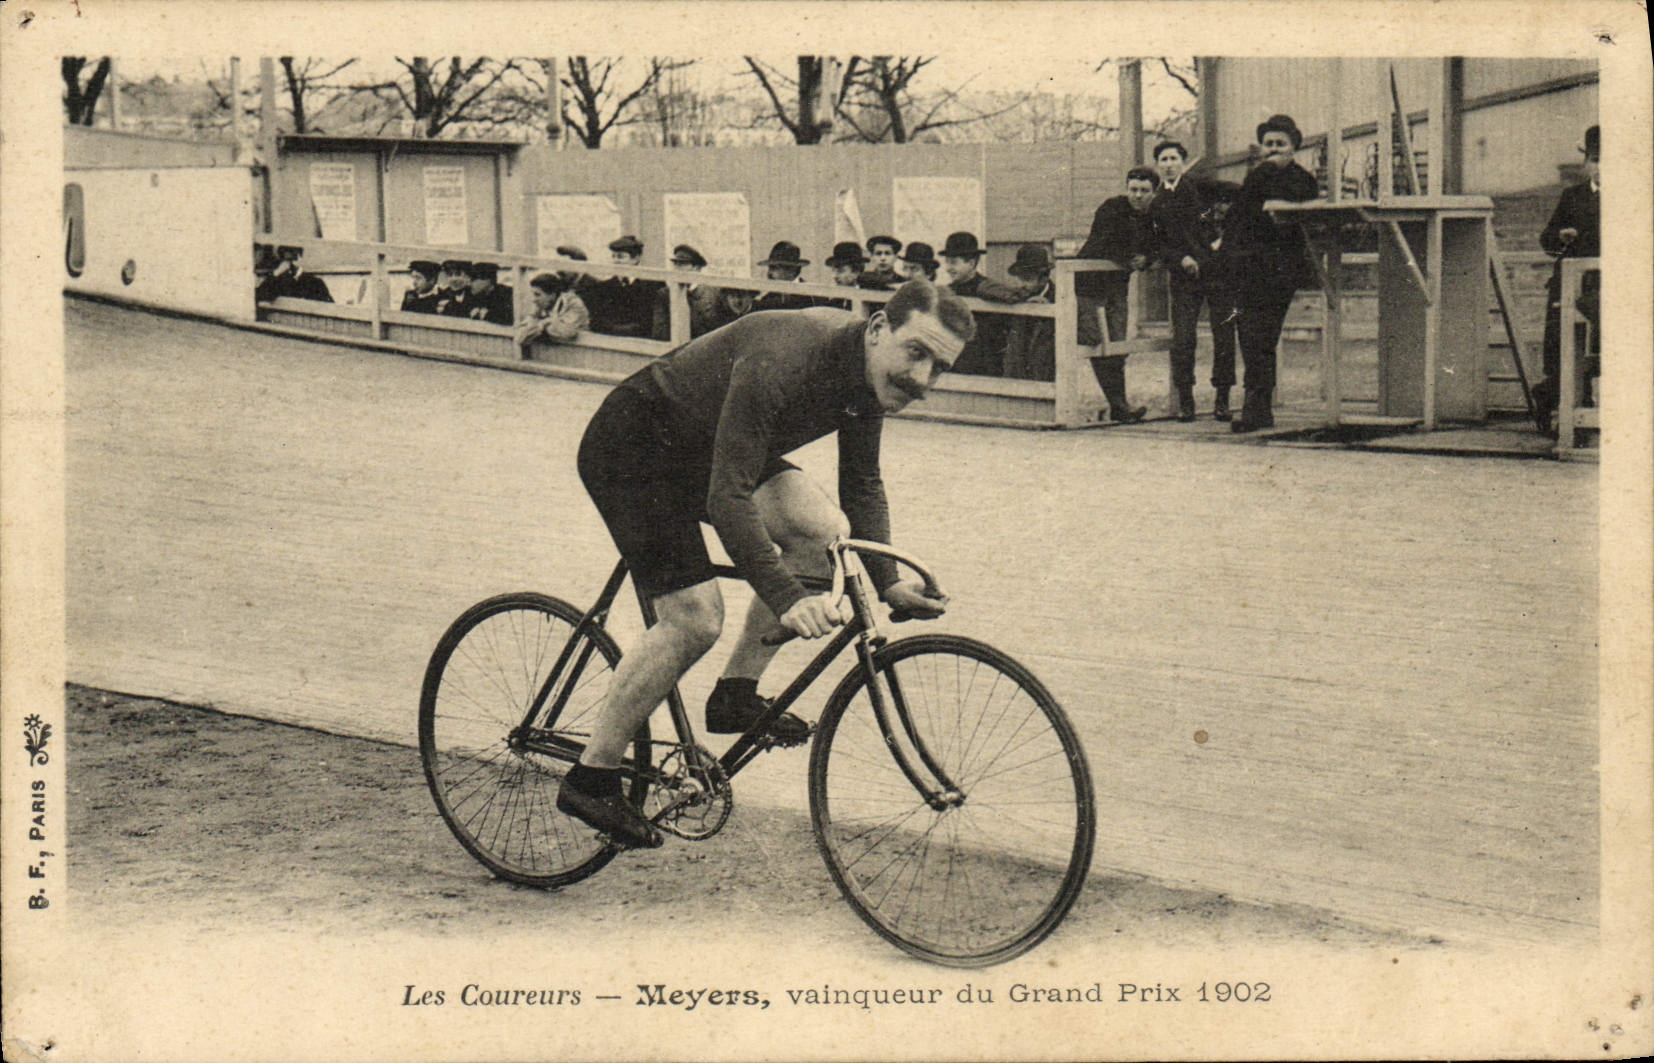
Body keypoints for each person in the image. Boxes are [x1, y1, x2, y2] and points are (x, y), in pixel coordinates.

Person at [562, 279, 966, 848]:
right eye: (916, 353)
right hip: (634, 447)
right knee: (694, 618)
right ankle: (592, 776)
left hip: (709, 449)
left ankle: (734, 694)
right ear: (878, 329)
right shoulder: (790, 354)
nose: (922, 380)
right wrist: (787, 597)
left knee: (828, 536)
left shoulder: (868, 375)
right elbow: (727, 499)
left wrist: (889, 585)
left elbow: (862, 482)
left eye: (939, 368)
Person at [1221, 114, 1319, 433]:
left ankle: (1257, 407)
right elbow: (1241, 211)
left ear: (1294, 147)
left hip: (1279, 270)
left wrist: (1267, 173)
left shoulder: (1303, 180)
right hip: (1247, 268)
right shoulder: (1257, 175)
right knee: (1249, 336)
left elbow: (1291, 208)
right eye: (1268, 144)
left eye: (1281, 144)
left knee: (1264, 335)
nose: (1273, 149)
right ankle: (1257, 406)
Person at [1148, 140, 1238, 422]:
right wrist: (1180, 259)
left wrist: (1223, 238)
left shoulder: (1200, 186)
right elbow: (1158, 244)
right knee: (1184, 337)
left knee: (1224, 333)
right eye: (1163, 159)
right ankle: (1186, 401)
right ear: (1158, 165)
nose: (1169, 164)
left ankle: (1222, 399)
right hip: (1185, 276)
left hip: (1216, 272)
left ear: (1183, 162)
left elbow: (1240, 196)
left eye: (1174, 158)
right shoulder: (1157, 201)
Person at [1074, 166, 1160, 422]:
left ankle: (1119, 406)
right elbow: (1103, 242)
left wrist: (1147, 259)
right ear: (1126, 189)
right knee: (1098, 342)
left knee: (1118, 346)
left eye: (1144, 191)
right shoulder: (1111, 208)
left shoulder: (1153, 216)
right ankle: (1119, 405)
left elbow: (1159, 244)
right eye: (1133, 189)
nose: (1137, 195)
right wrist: (1129, 258)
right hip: (1089, 286)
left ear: (1153, 193)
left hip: (1117, 288)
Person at [1532, 124, 1601, 434]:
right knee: (1564, 354)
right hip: (1572, 287)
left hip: (1605, 291)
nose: (1601, 167)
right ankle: (1549, 399)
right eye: (1595, 159)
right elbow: (1546, 239)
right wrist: (1560, 236)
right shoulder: (1573, 197)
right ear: (1587, 163)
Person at [939, 232, 1020, 377]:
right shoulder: (947, 292)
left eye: (953, 262)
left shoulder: (989, 288)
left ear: (971, 263)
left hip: (984, 368)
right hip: (953, 367)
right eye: (947, 262)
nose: (948, 268)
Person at [588, 235, 666, 339]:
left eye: (620, 257)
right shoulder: (603, 287)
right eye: (613, 256)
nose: (615, 261)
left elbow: (651, 323)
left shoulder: (654, 286)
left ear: (636, 258)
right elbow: (596, 322)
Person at [1002, 243, 1056, 382]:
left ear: (1044, 278)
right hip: (1019, 379)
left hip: (1049, 379)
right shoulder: (1016, 296)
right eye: (1020, 278)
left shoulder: (1061, 298)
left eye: (1028, 279)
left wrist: (1049, 312)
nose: (1021, 284)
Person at [516, 271, 590, 357]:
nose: (534, 299)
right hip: (559, 355)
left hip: (583, 353)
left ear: (553, 295)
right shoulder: (542, 305)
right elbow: (521, 335)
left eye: (537, 295)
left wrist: (542, 324)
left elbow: (567, 332)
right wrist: (541, 325)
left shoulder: (573, 303)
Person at [255, 245, 334, 304]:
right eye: (287, 260)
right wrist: (276, 273)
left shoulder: (315, 283)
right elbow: (258, 296)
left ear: (300, 257)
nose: (291, 264)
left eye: (293, 258)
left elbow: (330, 307)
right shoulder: (278, 282)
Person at [751, 241, 816, 311]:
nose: (769, 273)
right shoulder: (766, 300)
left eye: (774, 268)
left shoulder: (813, 296)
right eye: (769, 268)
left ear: (792, 270)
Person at [454, 261, 515, 326]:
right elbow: (458, 311)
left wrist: (487, 315)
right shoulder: (470, 292)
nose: (469, 283)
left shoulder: (505, 294)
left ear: (488, 281)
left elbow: (509, 317)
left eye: (473, 280)